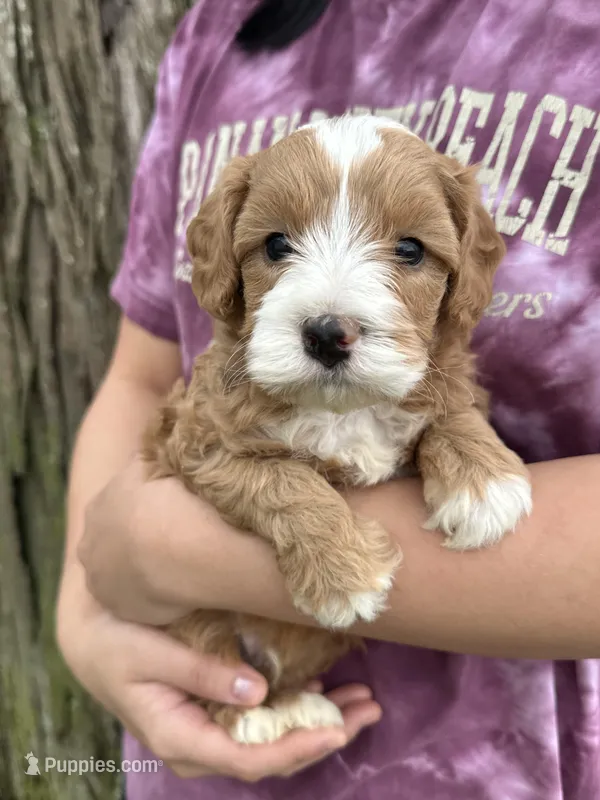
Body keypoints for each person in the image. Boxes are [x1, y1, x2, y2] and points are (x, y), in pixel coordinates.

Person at [56, 0, 600, 797]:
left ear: (464, 272)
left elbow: (444, 409)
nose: (333, 314)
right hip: (199, 745)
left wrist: (167, 546)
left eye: (408, 252)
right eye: (277, 248)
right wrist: (85, 621)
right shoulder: (220, 28)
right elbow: (140, 377)